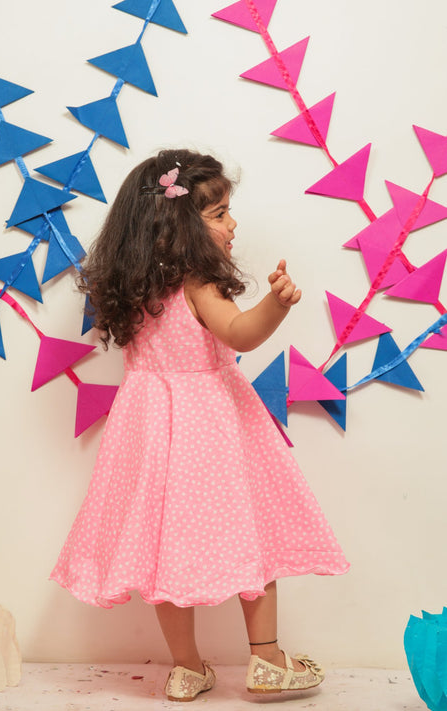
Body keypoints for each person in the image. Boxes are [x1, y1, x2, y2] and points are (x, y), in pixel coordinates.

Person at [50, 148, 349, 701]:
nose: (233, 225)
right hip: (211, 428)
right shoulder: (196, 284)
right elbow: (237, 332)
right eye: (220, 214)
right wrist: (275, 307)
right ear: (176, 225)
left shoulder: (133, 293)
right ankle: (267, 660)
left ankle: (186, 667)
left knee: (163, 553)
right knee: (249, 535)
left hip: (148, 433)